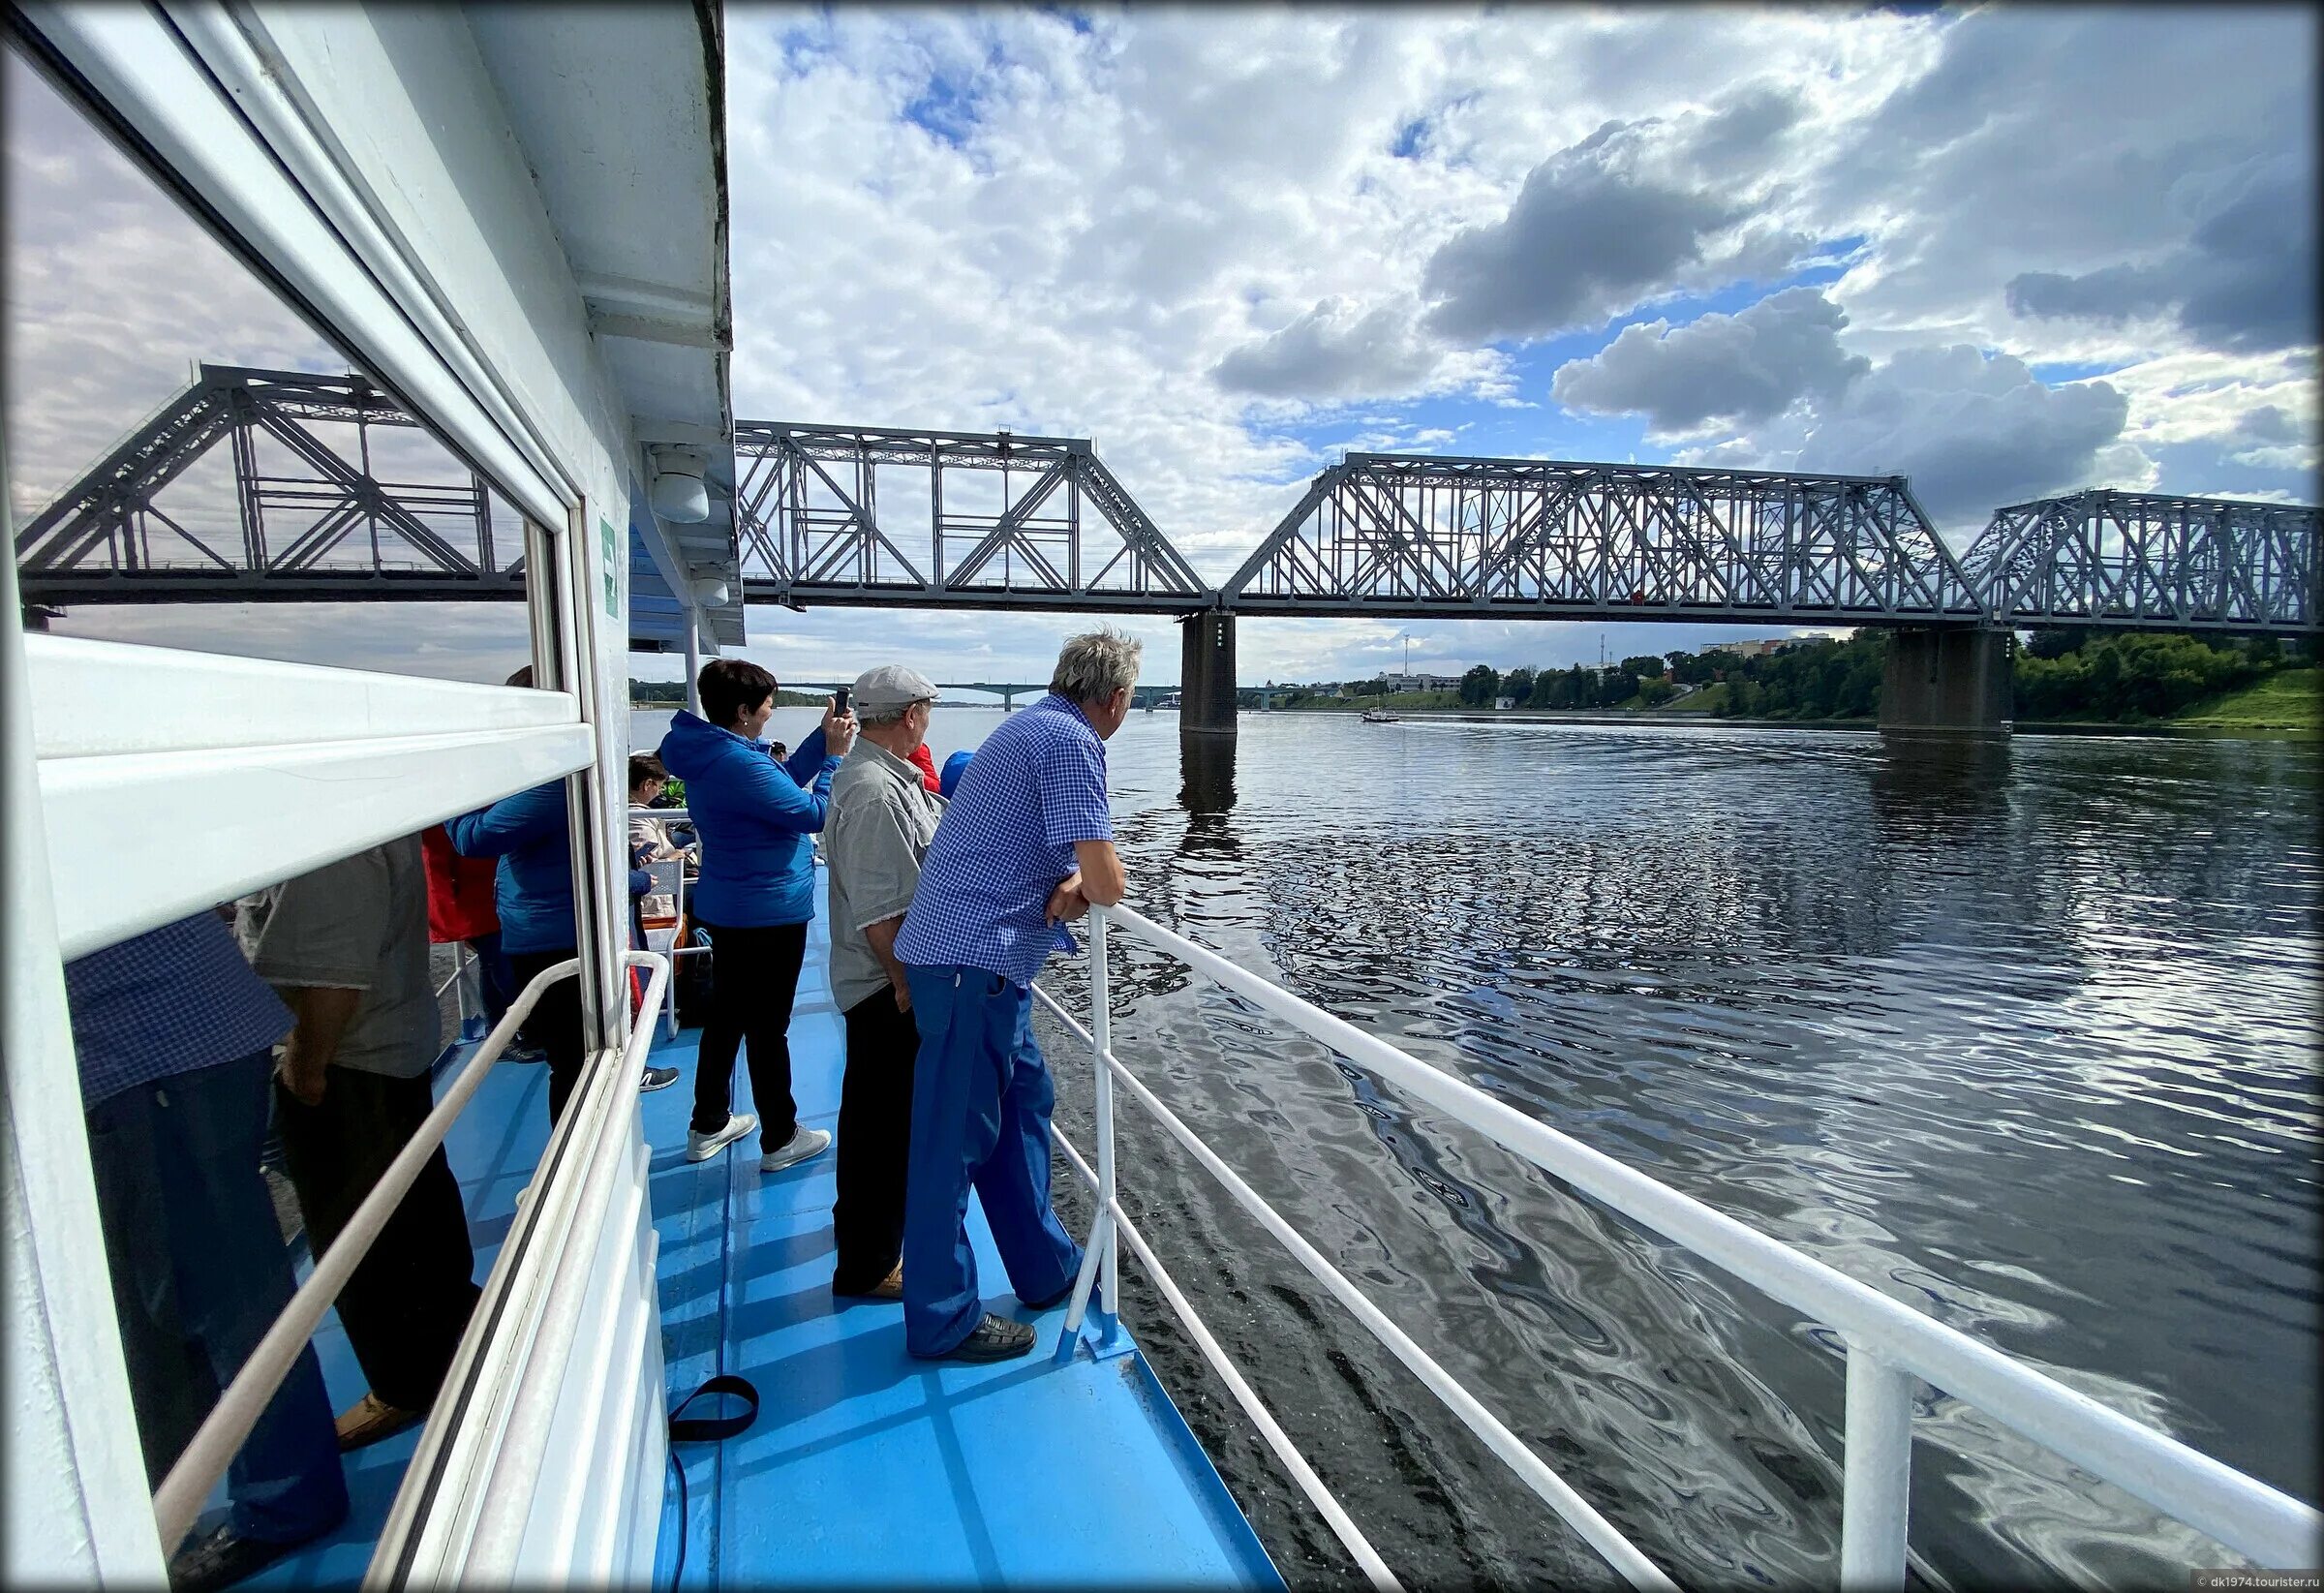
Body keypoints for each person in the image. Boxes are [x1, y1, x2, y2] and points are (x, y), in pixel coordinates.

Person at [64, 913, 348, 1593]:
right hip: (187, 1042)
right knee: (187, 1290)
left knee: (224, 1295)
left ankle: (287, 1500)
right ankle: (177, 1489)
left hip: (148, 1059)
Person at [892, 628, 1140, 1362]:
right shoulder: (1070, 742)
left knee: (1025, 1103)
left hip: (984, 965)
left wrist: (1072, 880)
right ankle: (942, 1318)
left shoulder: (1029, 724)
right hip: (975, 967)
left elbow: (1073, 868)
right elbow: (1108, 882)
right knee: (950, 1143)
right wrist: (1084, 883)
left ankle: (1044, 1265)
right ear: (1117, 699)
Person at [246, 838, 483, 1453]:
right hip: (392, 1049)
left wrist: (304, 1069)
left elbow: (330, 980)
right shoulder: (372, 826)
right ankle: (455, 1324)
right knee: (419, 1205)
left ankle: (403, 1385)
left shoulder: (334, 844)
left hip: (351, 1065)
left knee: (358, 1237)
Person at [658, 659, 855, 1169]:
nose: (772, 712)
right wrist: (835, 759)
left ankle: (709, 1122)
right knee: (769, 1026)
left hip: (732, 905)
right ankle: (780, 1136)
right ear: (745, 711)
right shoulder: (737, 762)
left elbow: (780, 785)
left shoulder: (714, 753)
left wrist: (819, 740)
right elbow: (812, 813)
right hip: (767, 911)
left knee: (727, 1018)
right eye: (768, 705)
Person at [822, 665, 946, 1301]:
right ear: (909, 715)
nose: (929, 715)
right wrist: (906, 987)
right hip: (883, 988)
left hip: (877, 983)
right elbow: (879, 912)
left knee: (873, 1119)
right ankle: (869, 1265)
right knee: (883, 1129)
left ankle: (858, 1235)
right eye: (927, 706)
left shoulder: (880, 777)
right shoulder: (875, 792)